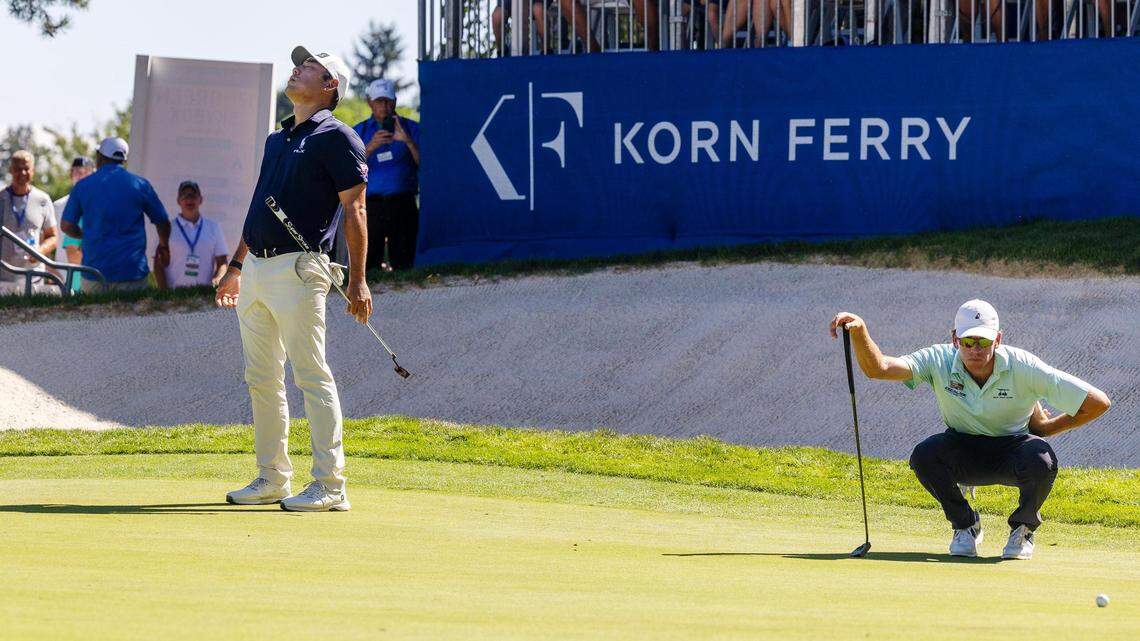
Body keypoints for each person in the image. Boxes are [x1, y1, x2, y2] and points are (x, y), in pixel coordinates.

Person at [828, 300, 1111, 560]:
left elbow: (1098, 403)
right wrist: (860, 331)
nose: (976, 349)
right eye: (968, 341)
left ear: (997, 339)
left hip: (1013, 450)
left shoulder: (1025, 366)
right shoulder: (937, 359)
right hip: (961, 449)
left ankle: (1023, 529)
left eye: (984, 341)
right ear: (955, 339)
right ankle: (966, 525)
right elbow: (879, 368)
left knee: (1042, 458)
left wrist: (1047, 429)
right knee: (925, 455)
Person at [215, 46, 371, 512]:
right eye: (298, 64)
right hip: (257, 270)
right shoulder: (277, 139)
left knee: (311, 374)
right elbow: (258, 205)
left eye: (309, 67)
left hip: (300, 269)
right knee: (261, 378)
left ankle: (331, 484)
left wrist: (359, 281)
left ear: (329, 85)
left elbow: (356, 209)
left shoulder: (338, 136)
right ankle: (272, 477)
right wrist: (236, 267)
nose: (297, 69)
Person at [59, 138, 171, 292]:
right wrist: (164, 246)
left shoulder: (83, 186)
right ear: (123, 159)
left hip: (94, 274)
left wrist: (84, 235)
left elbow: (66, 226)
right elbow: (163, 221)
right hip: (133, 273)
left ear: (99, 157)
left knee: (94, 309)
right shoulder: (140, 184)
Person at [353, 78, 421, 271]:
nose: (384, 106)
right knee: (369, 266)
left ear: (395, 101)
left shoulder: (411, 128)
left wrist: (408, 142)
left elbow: (425, 165)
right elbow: (348, 168)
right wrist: (370, 147)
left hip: (403, 202)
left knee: (405, 264)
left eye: (388, 101)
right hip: (370, 205)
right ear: (369, 102)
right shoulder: (359, 131)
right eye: (379, 101)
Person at [0, 150, 59, 295]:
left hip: (34, 277)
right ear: (11, 170)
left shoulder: (42, 199)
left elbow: (53, 236)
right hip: (4, 277)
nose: (23, 173)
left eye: (26, 168)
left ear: (33, 170)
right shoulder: (1, 198)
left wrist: (39, 251)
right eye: (18, 169)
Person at [157, 180, 228, 289]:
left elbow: (222, 261)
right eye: (184, 196)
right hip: (174, 294)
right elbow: (158, 263)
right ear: (178, 201)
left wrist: (218, 278)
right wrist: (163, 291)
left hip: (204, 294)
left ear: (200, 200)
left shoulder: (214, 227)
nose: (189, 199)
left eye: (193, 195)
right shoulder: (167, 228)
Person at [53, 156, 95, 294]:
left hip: (87, 277)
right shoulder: (57, 206)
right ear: (71, 174)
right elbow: (49, 239)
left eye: (85, 172)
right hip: (61, 277)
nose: (80, 176)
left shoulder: (95, 205)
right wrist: (52, 272)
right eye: (77, 172)